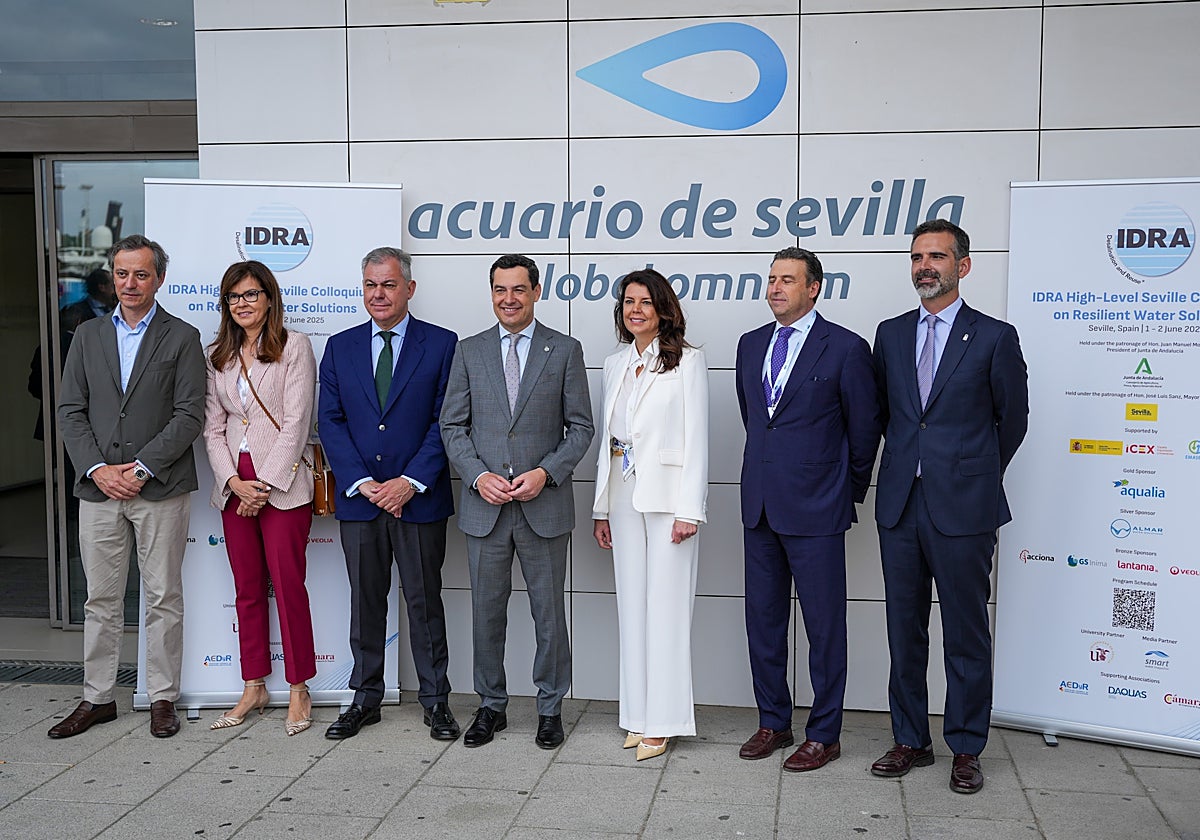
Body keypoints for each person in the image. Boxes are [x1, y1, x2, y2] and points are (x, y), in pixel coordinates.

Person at [870, 220, 1028, 794]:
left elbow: (1012, 423)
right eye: (916, 257)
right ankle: (910, 739)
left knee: (965, 632)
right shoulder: (889, 334)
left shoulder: (993, 337)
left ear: (964, 265)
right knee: (903, 631)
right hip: (901, 506)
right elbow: (885, 416)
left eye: (936, 256)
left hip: (965, 507)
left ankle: (966, 746)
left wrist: (970, 472)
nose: (924, 266)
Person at [51, 234, 205, 739]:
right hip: (98, 489)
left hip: (159, 487)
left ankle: (162, 697)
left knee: (162, 596)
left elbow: (189, 416)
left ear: (159, 278)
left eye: (141, 274)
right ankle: (97, 698)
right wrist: (98, 469)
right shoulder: (87, 335)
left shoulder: (182, 336)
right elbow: (70, 410)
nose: (130, 283)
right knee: (101, 598)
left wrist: (139, 469)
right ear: (111, 277)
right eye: (122, 273)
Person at [440, 253, 594, 750]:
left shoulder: (564, 350)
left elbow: (582, 427)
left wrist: (546, 472)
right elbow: (452, 426)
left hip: (542, 506)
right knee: (487, 612)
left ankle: (550, 708)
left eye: (519, 290)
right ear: (491, 294)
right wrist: (478, 475)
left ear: (535, 292)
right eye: (500, 290)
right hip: (485, 508)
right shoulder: (470, 351)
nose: (509, 299)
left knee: (549, 614)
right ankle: (490, 706)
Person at [735, 247, 881, 771]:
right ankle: (773, 721)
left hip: (818, 509)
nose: (775, 288)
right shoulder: (751, 345)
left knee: (823, 627)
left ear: (814, 287)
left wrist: (846, 491)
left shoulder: (844, 348)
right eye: (771, 278)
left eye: (787, 280)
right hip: (761, 508)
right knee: (764, 621)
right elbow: (756, 419)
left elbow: (865, 432)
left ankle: (825, 733)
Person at [318, 247, 460, 741]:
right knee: (366, 602)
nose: (378, 294)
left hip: (419, 498)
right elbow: (330, 422)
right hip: (361, 500)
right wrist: (362, 482)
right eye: (370, 285)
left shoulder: (443, 345)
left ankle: (436, 701)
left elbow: (448, 420)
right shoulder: (340, 347)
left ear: (409, 289)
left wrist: (408, 482)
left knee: (424, 601)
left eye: (389, 285)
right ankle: (365, 697)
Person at [591, 268, 708, 761]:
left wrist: (690, 510)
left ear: (663, 308)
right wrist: (600, 507)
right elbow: (609, 443)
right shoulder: (614, 362)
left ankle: (665, 721)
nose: (635, 309)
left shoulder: (688, 361)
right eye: (628, 302)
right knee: (633, 608)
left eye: (645, 301)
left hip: (668, 501)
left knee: (667, 609)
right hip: (622, 495)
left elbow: (697, 437)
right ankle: (638, 715)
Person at [202, 260, 318, 736]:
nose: (242, 304)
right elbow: (212, 429)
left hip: (283, 483)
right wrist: (233, 483)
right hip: (234, 484)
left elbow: (297, 423)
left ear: (269, 298)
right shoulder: (218, 355)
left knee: (288, 586)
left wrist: (263, 486)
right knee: (247, 588)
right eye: (234, 297)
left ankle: (298, 686)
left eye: (251, 295)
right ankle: (254, 683)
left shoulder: (294, 347)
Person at [61, 267, 117, 332]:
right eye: (112, 286)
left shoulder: (114, 307)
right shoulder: (78, 311)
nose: (115, 291)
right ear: (102, 287)